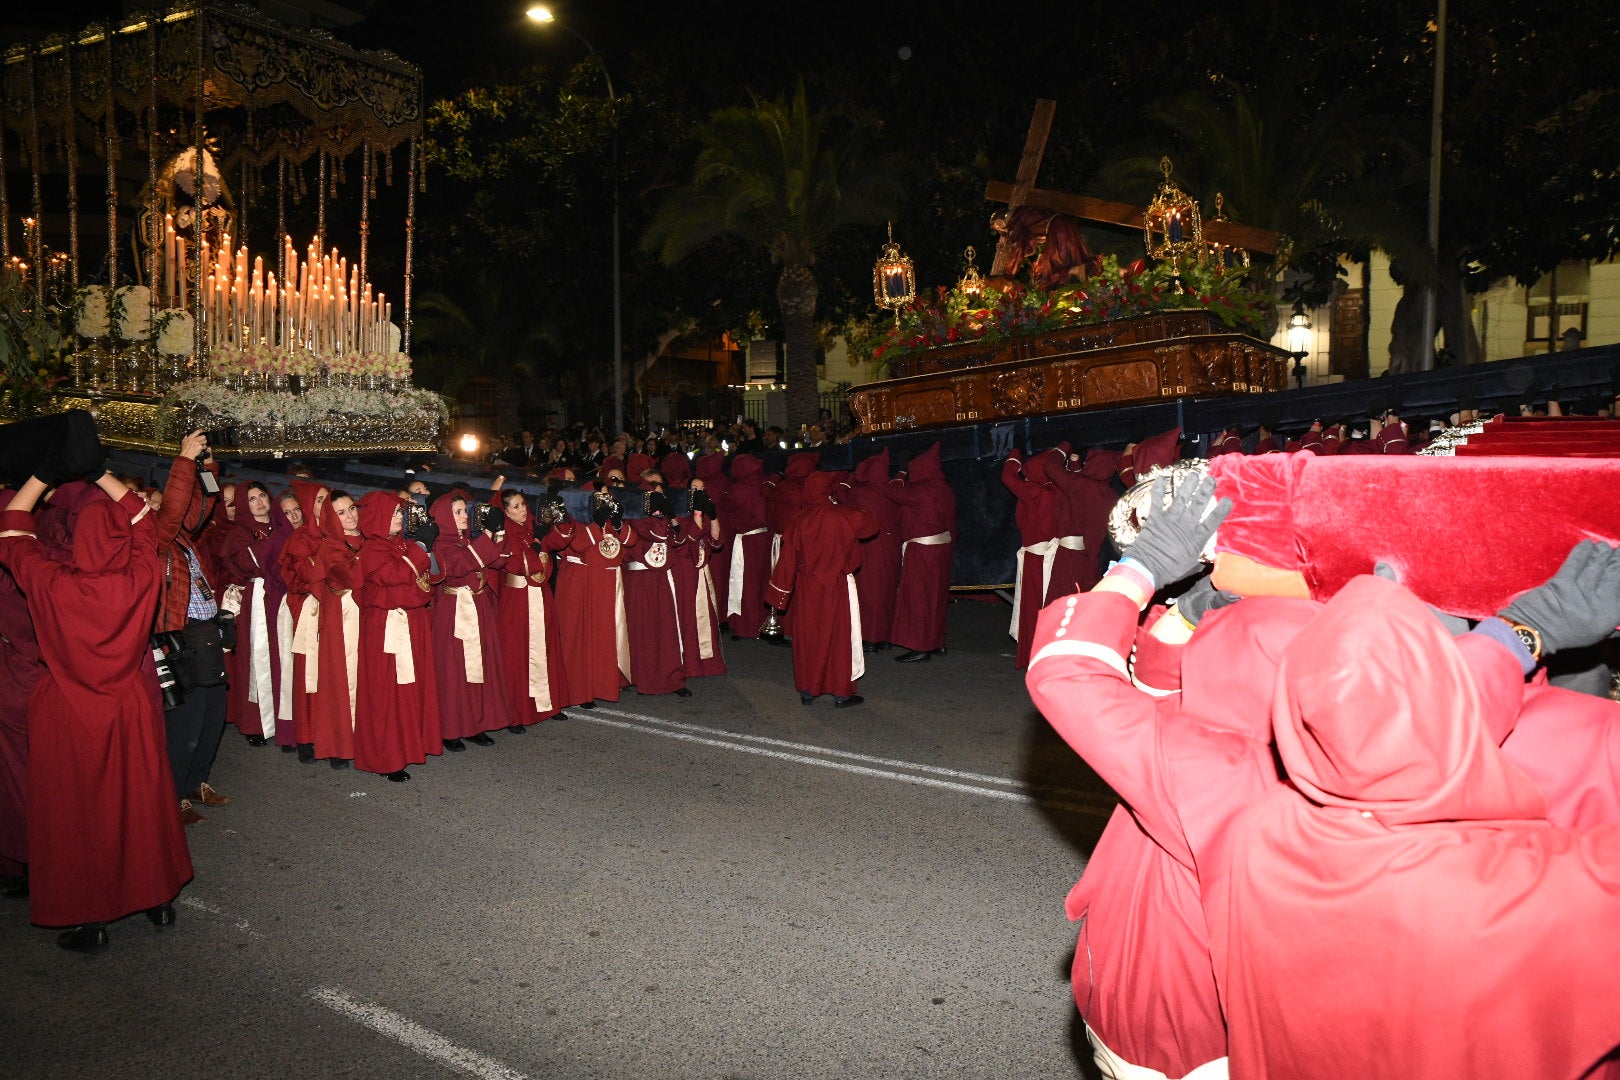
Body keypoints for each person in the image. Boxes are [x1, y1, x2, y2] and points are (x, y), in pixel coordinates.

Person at [1215, 574, 1620, 1080]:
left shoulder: (1264, 829)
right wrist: (1529, 630)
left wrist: (1517, 635)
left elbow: (1388, 726)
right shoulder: (1539, 892)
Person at [0, 465, 193, 951]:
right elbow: (146, 520)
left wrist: (43, 476)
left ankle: (91, 918)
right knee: (141, 803)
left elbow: (13, 524)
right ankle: (157, 900)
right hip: (128, 700)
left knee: (77, 814)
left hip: (69, 705)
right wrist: (99, 471)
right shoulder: (141, 573)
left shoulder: (51, 581)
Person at [154, 431, 232, 822]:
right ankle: (175, 794)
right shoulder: (156, 538)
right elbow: (172, 509)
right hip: (178, 636)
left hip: (205, 633)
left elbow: (203, 505)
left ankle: (198, 782)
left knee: (212, 713)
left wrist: (207, 466)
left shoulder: (185, 537)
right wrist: (183, 461)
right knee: (185, 719)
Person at [764, 472, 877, 707]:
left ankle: (807, 689)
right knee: (838, 636)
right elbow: (871, 525)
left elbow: (786, 561)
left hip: (806, 588)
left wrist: (778, 595)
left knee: (808, 637)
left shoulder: (798, 520)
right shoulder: (842, 515)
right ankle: (841, 692)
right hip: (836, 586)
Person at [353, 491, 441, 782]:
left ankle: (410, 746)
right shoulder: (373, 548)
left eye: (400, 513)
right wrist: (421, 547)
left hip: (410, 620)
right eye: (393, 513)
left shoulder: (400, 543)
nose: (399, 518)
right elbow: (394, 575)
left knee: (410, 689)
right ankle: (385, 757)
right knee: (386, 691)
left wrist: (420, 554)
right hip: (387, 627)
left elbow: (425, 580)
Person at [429, 488, 511, 748]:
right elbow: (463, 564)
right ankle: (451, 728)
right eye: (457, 512)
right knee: (454, 671)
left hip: (476, 605)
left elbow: (495, 558)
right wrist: (488, 534)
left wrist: (497, 533)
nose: (465, 516)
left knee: (478, 666)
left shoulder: (464, 541)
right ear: (444, 516)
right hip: (454, 611)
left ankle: (474, 723)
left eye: (464, 510)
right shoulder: (441, 543)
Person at [542, 490, 638, 708]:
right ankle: (578, 690)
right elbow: (577, 544)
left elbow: (631, 541)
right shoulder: (574, 518)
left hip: (605, 582)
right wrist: (595, 523)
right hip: (579, 582)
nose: (605, 501)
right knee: (578, 636)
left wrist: (617, 523)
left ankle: (601, 685)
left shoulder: (607, 519)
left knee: (603, 637)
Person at [214, 481, 292, 746]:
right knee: (257, 659)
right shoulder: (240, 532)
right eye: (251, 499)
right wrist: (275, 541)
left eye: (262, 496)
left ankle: (286, 720)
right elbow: (247, 564)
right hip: (257, 599)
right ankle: (256, 723)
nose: (259, 502)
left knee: (284, 656)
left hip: (282, 595)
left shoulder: (280, 525)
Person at [488, 488, 568, 727]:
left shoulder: (532, 525)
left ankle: (547, 705)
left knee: (546, 647)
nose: (522, 510)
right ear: (505, 512)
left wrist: (561, 517)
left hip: (540, 595)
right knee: (517, 653)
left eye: (523, 504)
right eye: (516, 507)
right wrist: (535, 544)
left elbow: (561, 539)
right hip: (518, 599)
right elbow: (513, 563)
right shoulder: (504, 534)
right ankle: (516, 712)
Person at [887, 443, 955, 662]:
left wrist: (901, 471)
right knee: (936, 596)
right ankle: (936, 641)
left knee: (918, 597)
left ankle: (921, 646)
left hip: (923, 552)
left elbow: (893, 490)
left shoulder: (921, 489)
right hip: (942, 549)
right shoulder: (944, 488)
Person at [277, 481, 330, 765]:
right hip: (311, 610)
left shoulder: (337, 532)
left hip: (338, 610)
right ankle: (307, 736)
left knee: (334, 675)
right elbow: (302, 578)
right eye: (319, 500)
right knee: (309, 674)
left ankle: (334, 734)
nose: (325, 504)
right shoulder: (300, 539)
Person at [624, 489, 691, 697]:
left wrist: (673, 521)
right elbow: (654, 534)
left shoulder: (664, 515)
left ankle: (671, 677)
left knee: (667, 629)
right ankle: (640, 677)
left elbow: (677, 541)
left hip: (662, 579)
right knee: (641, 630)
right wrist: (659, 516)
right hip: (639, 581)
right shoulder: (633, 518)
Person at [842, 449, 901, 653]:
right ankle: (885, 636)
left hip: (871, 546)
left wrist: (849, 478)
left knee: (869, 592)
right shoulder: (891, 489)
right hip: (891, 545)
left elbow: (842, 496)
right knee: (887, 590)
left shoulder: (861, 492)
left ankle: (871, 637)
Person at [674, 482, 727, 680]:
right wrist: (697, 512)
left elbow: (716, 541)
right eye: (694, 488)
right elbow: (690, 538)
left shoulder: (704, 510)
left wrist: (713, 517)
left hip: (702, 569)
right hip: (686, 569)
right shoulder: (680, 513)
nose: (699, 492)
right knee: (688, 615)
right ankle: (690, 664)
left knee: (707, 616)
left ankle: (708, 661)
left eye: (702, 488)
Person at [721, 454, 774, 639]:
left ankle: (747, 626)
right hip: (764, 538)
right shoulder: (765, 484)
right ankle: (763, 622)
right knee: (761, 581)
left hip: (748, 541)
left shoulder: (739, 490)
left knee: (745, 583)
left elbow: (726, 505)